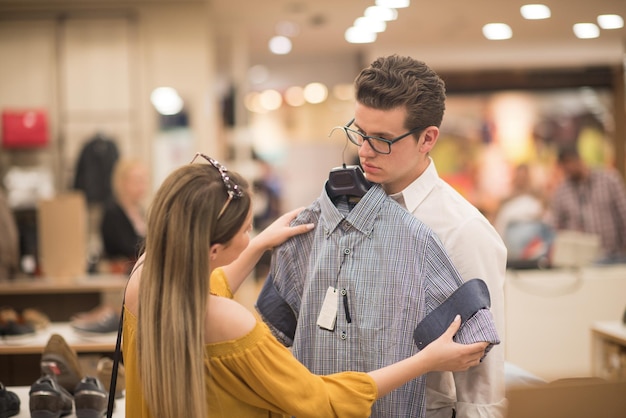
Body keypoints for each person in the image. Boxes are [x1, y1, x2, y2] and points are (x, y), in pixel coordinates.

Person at [121, 153, 488, 418]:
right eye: (247, 229)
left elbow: (198, 292)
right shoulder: (231, 322)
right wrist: (425, 361)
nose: (252, 237)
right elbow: (320, 399)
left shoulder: (143, 279)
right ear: (214, 249)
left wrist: (261, 243)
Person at [261, 55, 507, 418]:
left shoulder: (462, 231)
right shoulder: (325, 216)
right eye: (360, 132)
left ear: (427, 139)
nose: (364, 151)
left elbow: (481, 383)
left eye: (382, 140)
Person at [548, 145, 626, 263]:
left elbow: (623, 214)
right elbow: (555, 226)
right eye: (564, 165)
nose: (567, 168)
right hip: (579, 260)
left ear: (578, 159)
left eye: (569, 162)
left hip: (614, 255)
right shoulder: (562, 191)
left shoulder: (609, 180)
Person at [494, 164, 553, 268]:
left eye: (524, 177)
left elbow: (544, 217)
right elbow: (501, 222)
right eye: (519, 176)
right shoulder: (507, 200)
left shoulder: (538, 197)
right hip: (512, 249)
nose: (521, 180)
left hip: (533, 246)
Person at [100, 158, 149, 268]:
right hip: (120, 274)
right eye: (137, 180)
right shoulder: (112, 212)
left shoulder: (141, 212)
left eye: (144, 181)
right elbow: (125, 246)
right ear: (122, 182)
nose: (142, 186)